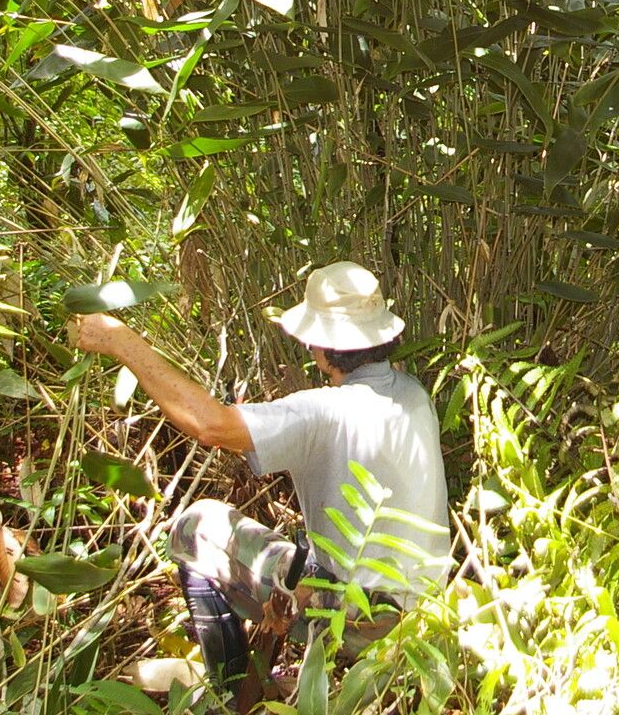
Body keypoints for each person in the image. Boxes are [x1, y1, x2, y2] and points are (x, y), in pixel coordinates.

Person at [68, 260, 450, 688]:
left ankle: (228, 688)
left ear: (320, 345)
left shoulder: (324, 411)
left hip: (362, 620)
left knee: (194, 526)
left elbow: (210, 425)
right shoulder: (414, 393)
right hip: (428, 613)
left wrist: (124, 343)